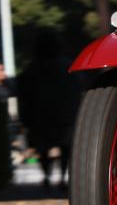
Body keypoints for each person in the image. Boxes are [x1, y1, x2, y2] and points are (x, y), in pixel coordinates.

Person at [17, 31, 80, 192]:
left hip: (41, 115)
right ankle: (63, 176)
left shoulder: (32, 69)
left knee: (43, 147)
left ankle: (47, 176)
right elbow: (78, 89)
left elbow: (24, 92)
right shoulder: (68, 66)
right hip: (65, 114)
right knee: (66, 147)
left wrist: (26, 117)